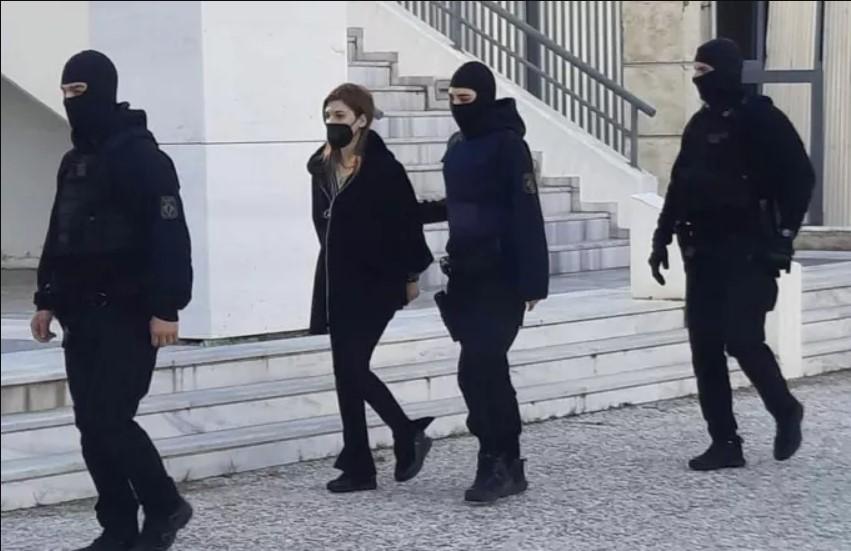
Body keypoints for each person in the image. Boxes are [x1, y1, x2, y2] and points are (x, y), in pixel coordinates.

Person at [29, 51, 194, 550]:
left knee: (110, 420)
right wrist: (46, 298)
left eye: (78, 92)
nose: (70, 101)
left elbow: (170, 235)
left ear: (102, 90)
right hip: (81, 314)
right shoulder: (75, 161)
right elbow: (60, 231)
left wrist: (167, 307)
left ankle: (164, 505)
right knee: (90, 424)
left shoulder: (143, 157)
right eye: (65, 92)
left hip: (130, 312)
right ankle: (118, 524)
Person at [649, 38, 814, 471]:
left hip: (749, 249)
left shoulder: (761, 118)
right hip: (702, 251)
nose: (697, 79)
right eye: (694, 71)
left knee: (742, 338)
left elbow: (801, 177)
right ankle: (724, 441)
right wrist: (660, 236)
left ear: (725, 71)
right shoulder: (699, 125)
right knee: (704, 346)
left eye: (704, 71)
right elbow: (679, 185)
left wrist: (783, 237)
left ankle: (785, 409)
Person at [421, 61, 549, 503]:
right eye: (452, 99)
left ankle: (498, 460)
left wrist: (533, 281)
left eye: (466, 99)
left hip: (502, 275)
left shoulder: (510, 146)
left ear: (485, 98)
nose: (458, 107)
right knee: (477, 373)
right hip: (465, 275)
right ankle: (502, 459)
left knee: (483, 365)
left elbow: (526, 211)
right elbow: (459, 203)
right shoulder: (458, 145)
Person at [307, 83, 435, 493]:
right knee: (345, 372)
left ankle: (405, 431)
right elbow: (322, 223)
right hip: (338, 278)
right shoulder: (322, 166)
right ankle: (360, 464)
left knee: (352, 368)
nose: (332, 123)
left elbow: (406, 223)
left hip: (378, 281)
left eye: (340, 116)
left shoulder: (383, 168)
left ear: (361, 119)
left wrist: (411, 276)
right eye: (328, 116)